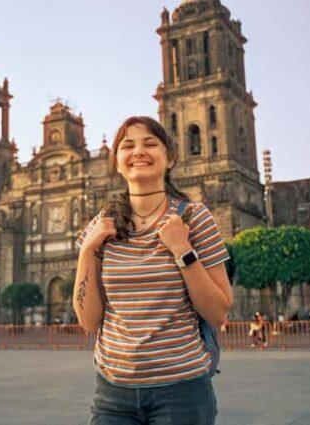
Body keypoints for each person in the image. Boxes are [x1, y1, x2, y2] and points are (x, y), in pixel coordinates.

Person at [73, 116, 232, 425]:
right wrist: (87, 250)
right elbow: (89, 320)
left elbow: (218, 312)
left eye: (150, 144)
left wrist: (182, 250)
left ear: (169, 157)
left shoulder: (194, 217)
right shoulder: (102, 224)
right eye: (127, 145)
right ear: (117, 162)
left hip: (181, 391)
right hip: (112, 393)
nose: (138, 152)